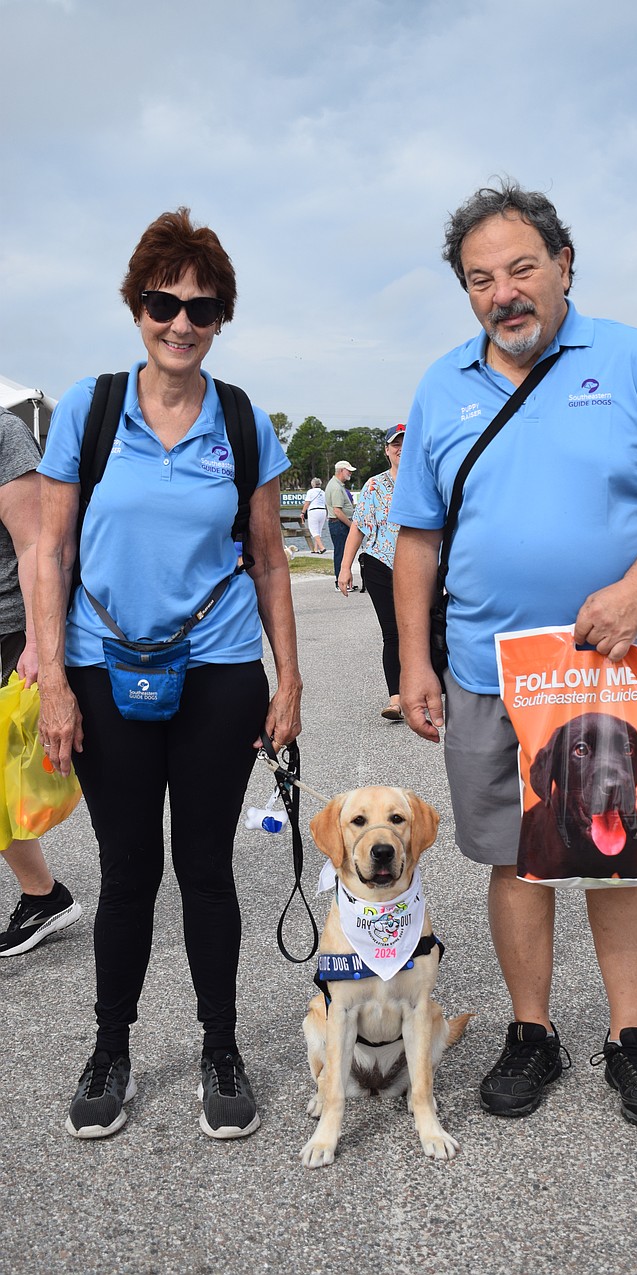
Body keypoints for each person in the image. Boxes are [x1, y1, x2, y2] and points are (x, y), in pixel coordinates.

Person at [391, 180, 637, 1128]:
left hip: (608, 663)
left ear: (564, 264)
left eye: (522, 267)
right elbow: (416, 536)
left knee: (619, 856)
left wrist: (635, 593)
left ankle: (630, 1037)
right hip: (489, 669)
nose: (505, 292)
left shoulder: (631, 357)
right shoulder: (442, 383)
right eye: (481, 278)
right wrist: (413, 661)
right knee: (513, 856)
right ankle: (532, 1031)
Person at [34, 208, 302, 1140]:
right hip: (104, 669)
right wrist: (54, 680)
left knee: (207, 869)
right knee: (128, 869)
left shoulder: (242, 418)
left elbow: (270, 558)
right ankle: (111, 1046)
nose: (181, 322)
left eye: (203, 306)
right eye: (164, 301)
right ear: (136, 305)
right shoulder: (91, 406)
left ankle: (220, 1045)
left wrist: (290, 680)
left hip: (220, 665)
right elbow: (49, 548)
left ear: (223, 316)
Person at [0, 409, 81, 957]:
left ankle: (43, 895)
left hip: (7, 628)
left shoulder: (3, 433)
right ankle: (43, 895)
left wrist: (37, 643)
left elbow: (35, 546)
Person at [338, 425, 405, 720]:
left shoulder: (428, 479)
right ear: (387, 450)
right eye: (396, 444)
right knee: (392, 633)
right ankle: (397, 699)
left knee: (424, 629)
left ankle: (428, 691)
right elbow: (360, 526)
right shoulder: (374, 486)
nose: (401, 448)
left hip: (420, 566)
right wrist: (345, 567)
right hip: (379, 563)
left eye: (407, 443)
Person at [325, 460, 356, 587]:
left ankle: (345, 582)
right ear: (341, 470)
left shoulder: (336, 485)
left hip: (338, 524)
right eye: (348, 471)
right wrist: (351, 525)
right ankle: (340, 582)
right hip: (339, 525)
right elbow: (337, 511)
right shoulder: (336, 488)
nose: (350, 473)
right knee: (341, 553)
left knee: (342, 553)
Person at [300, 477, 327, 554]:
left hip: (313, 511)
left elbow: (307, 503)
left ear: (313, 484)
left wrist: (303, 512)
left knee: (313, 530)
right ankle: (316, 548)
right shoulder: (323, 492)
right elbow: (326, 503)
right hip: (323, 511)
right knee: (319, 530)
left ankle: (322, 547)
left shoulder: (310, 492)